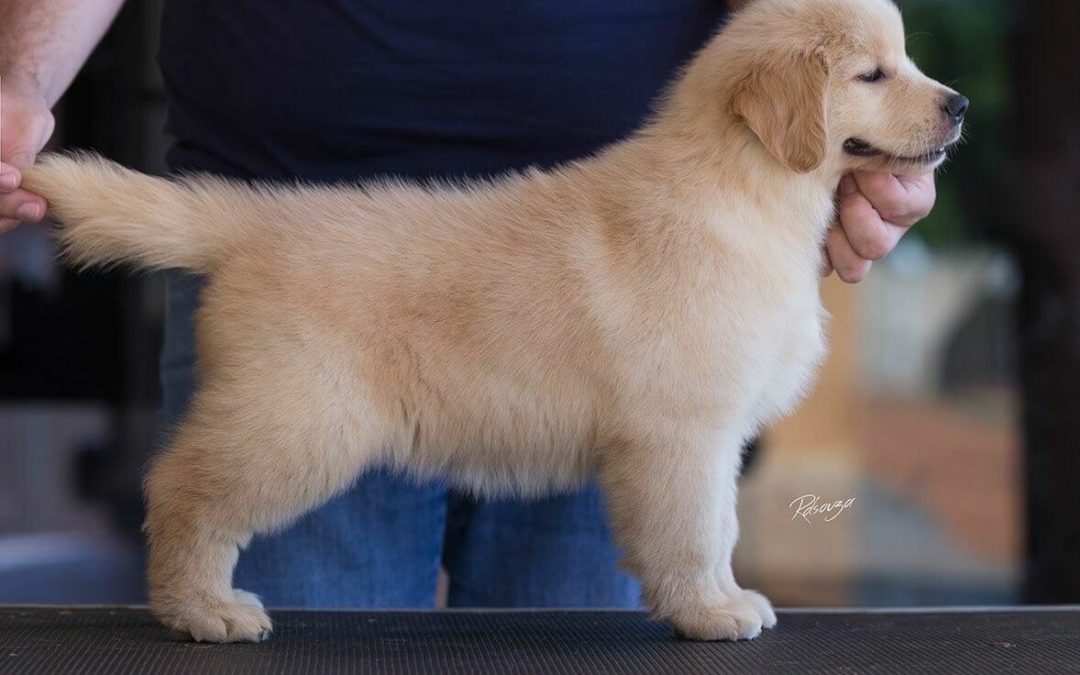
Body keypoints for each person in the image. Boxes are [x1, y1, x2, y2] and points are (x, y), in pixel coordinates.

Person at [0, 0, 937, 608]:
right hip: (328, 258)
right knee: (291, 489)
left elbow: (690, 430)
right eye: (875, 75)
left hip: (574, 239)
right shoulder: (719, 194)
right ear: (781, 106)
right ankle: (191, 546)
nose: (929, 96)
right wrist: (16, 86)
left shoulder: (722, 221)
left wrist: (866, 115)